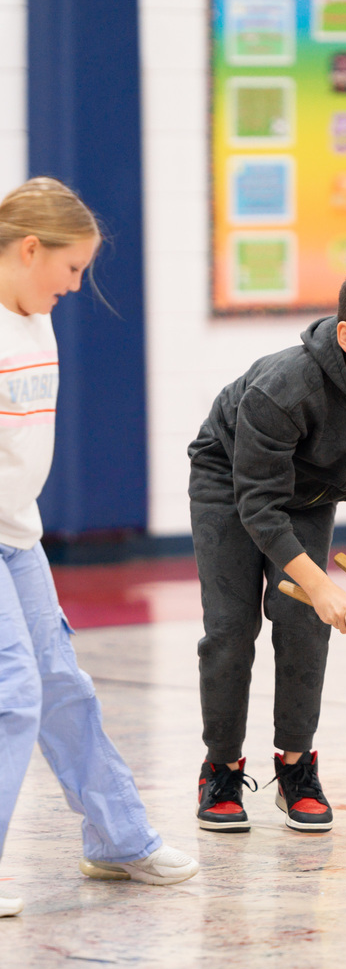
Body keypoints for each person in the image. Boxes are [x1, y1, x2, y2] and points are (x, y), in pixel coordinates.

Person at [0, 177, 198, 918]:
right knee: (13, 695)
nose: (77, 286)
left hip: (18, 535)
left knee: (62, 684)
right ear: (29, 250)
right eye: (72, 268)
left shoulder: (36, 317)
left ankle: (118, 840)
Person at [189, 254, 346, 833]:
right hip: (231, 484)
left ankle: (296, 767)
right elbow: (258, 507)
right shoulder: (283, 388)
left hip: (311, 494)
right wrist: (321, 584)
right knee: (231, 629)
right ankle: (221, 768)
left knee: (304, 625)